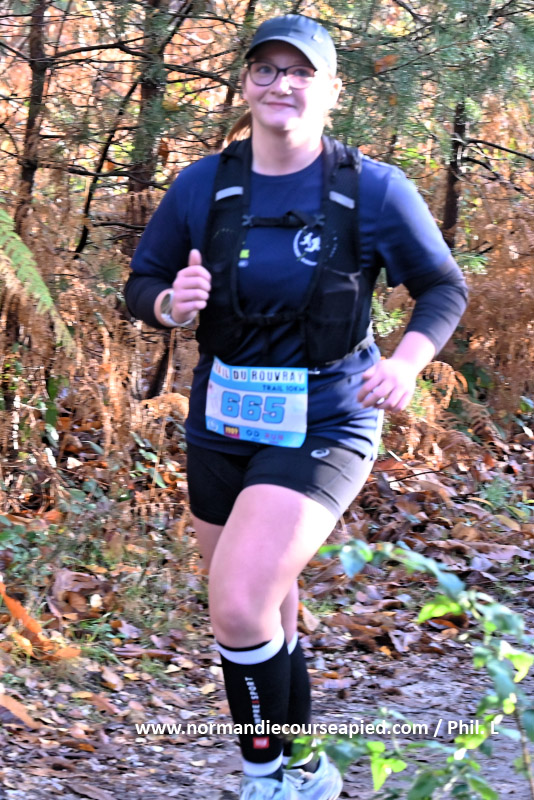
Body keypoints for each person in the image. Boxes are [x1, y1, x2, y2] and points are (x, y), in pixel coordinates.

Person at [125, 14, 468, 800]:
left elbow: (442, 287)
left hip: (329, 414)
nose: (282, 83)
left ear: (331, 89)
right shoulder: (202, 185)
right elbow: (142, 284)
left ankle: (265, 779)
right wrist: (172, 305)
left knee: (238, 603)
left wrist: (407, 363)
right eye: (266, 69)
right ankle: (305, 767)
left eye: (301, 71)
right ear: (246, 84)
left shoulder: (373, 189)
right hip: (223, 417)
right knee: (266, 608)